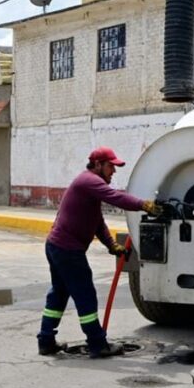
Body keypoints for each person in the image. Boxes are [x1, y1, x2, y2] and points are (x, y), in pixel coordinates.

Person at [37, 146, 162, 359]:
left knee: (59, 293)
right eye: (110, 166)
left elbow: (97, 222)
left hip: (57, 246)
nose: (113, 171)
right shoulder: (90, 181)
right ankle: (97, 343)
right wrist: (144, 205)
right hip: (67, 250)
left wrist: (112, 245)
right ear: (98, 165)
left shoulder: (89, 186)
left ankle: (46, 341)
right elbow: (116, 198)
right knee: (85, 295)